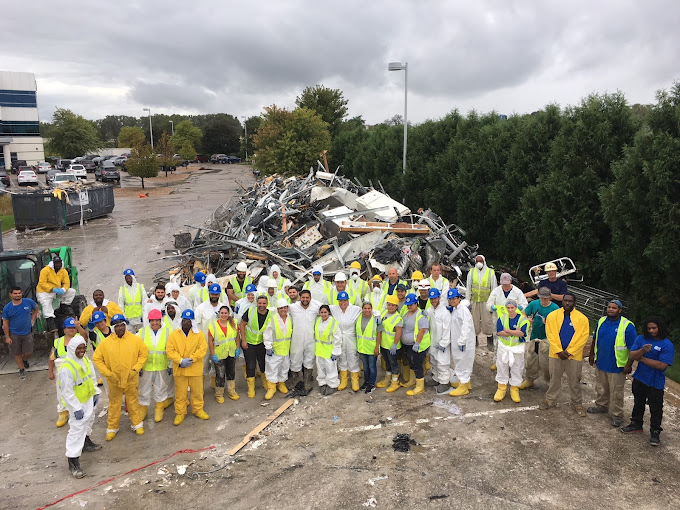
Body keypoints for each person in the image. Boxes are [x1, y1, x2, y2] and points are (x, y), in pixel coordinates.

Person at [93, 314, 148, 440]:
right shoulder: (105, 343)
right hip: (114, 380)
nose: (120, 328)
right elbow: (97, 358)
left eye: (122, 325)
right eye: (117, 326)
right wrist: (107, 373)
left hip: (131, 378)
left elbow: (144, 353)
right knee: (114, 403)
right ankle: (112, 427)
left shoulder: (135, 340)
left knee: (133, 401)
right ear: (113, 328)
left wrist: (136, 368)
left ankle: (137, 424)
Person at [621, 317, 674, 445]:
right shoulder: (641, 339)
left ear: (660, 328)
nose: (651, 330)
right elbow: (632, 355)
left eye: (654, 328)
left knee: (656, 408)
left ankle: (655, 432)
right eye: (649, 328)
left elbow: (661, 365)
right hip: (640, 378)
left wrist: (642, 358)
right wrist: (643, 351)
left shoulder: (667, 344)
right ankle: (636, 424)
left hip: (655, 382)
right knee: (638, 402)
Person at [587, 299, 637, 427]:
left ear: (620, 310)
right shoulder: (601, 321)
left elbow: (633, 348)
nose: (610, 309)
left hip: (617, 366)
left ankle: (617, 414)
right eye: (609, 307)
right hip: (601, 362)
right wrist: (592, 354)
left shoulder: (627, 326)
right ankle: (601, 406)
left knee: (616, 392)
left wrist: (628, 365)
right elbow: (595, 339)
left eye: (614, 308)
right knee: (601, 388)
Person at [58, 336, 101, 479]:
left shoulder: (85, 360)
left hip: (88, 398)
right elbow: (67, 391)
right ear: (72, 349)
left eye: (83, 348)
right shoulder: (66, 368)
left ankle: (86, 442)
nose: (82, 351)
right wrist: (76, 408)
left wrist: (95, 392)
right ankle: (73, 460)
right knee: (76, 429)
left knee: (89, 421)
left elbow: (91, 377)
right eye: (79, 348)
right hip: (77, 403)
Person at [541, 292, 590, 416]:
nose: (567, 303)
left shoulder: (582, 318)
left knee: (575, 380)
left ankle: (577, 403)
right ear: (562, 301)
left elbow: (583, 338)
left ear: (574, 303)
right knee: (554, 379)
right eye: (565, 300)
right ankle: (550, 400)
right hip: (555, 354)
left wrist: (569, 352)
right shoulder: (552, 316)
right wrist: (558, 350)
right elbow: (550, 334)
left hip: (574, 356)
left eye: (570, 301)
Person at [167, 310, 209, 424]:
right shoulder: (174, 334)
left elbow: (203, 349)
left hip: (195, 369)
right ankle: (180, 412)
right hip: (180, 369)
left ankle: (198, 409)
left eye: (189, 321)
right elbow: (170, 350)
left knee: (197, 392)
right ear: (181, 320)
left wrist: (192, 359)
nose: (186, 323)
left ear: (192, 322)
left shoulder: (198, 334)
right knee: (180, 393)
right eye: (185, 320)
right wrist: (180, 360)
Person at [138, 309, 174, 423]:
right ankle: (143, 409)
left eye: (156, 320)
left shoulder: (168, 331)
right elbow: (137, 349)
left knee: (161, 387)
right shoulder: (142, 332)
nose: (154, 323)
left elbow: (171, 349)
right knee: (144, 388)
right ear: (149, 321)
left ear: (160, 320)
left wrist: (170, 364)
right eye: (152, 321)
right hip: (146, 366)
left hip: (162, 365)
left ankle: (159, 408)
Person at [519, 287, 560, 390]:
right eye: (541, 298)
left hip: (548, 339)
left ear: (550, 298)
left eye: (545, 298)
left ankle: (550, 381)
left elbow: (560, 324)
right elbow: (524, 313)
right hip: (534, 336)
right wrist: (527, 319)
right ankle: (529, 379)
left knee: (546, 362)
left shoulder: (555, 308)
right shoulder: (534, 304)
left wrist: (550, 324)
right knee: (531, 359)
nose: (543, 300)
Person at [49, 317, 86, 427]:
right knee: (61, 393)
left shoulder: (80, 339)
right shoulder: (58, 341)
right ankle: (63, 412)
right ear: (64, 329)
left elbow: (86, 337)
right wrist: (50, 371)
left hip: (78, 372)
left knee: (80, 391)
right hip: (62, 373)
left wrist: (79, 326)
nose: (71, 330)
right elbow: (52, 357)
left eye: (73, 328)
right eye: (69, 328)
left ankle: (80, 409)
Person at [487, 272, 528, 369]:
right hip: (499, 319)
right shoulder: (496, 291)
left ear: (510, 281)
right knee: (497, 339)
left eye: (507, 283)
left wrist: (520, 308)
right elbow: (488, 304)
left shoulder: (517, 292)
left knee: (512, 339)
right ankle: (497, 361)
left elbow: (525, 304)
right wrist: (492, 307)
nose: (505, 285)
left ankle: (511, 362)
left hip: (514, 319)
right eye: (503, 283)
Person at [493, 299, 529, 403]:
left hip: (517, 348)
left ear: (516, 308)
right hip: (504, 347)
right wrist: (515, 332)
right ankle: (501, 388)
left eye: (512, 308)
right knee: (501, 366)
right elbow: (499, 332)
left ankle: (514, 389)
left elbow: (522, 333)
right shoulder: (502, 318)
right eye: (508, 308)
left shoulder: (522, 320)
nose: (510, 310)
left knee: (517, 368)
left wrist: (507, 330)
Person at [287, 289, 322, 392]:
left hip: (310, 339)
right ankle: (294, 380)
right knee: (295, 359)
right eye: (303, 297)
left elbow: (326, 310)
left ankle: (307, 381)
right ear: (299, 297)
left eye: (307, 298)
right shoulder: (293, 308)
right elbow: (279, 310)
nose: (305, 299)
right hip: (296, 339)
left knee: (309, 360)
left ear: (310, 298)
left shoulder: (315, 308)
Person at [2, 286, 39, 379]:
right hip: (14, 334)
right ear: (11, 295)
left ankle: (24, 359)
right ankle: (21, 369)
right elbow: (5, 323)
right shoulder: (7, 308)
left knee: (29, 352)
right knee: (16, 353)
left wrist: (32, 319)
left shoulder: (28, 302)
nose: (18, 295)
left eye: (19, 293)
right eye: (15, 293)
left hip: (27, 332)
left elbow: (36, 308)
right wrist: (7, 337)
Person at [330, 291, 362, 392]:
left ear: (348, 300)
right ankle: (344, 380)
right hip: (340, 337)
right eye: (340, 301)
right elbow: (320, 306)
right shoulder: (334, 309)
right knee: (342, 357)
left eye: (344, 300)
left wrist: (377, 314)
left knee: (352, 356)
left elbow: (367, 309)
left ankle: (354, 380)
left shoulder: (354, 309)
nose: (342, 303)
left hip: (351, 337)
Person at [195, 283, 226, 388]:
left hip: (219, 343)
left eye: (216, 294)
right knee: (202, 365)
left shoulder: (223, 308)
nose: (214, 296)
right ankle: (200, 388)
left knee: (217, 365)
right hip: (204, 342)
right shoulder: (201, 308)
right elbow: (197, 326)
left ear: (219, 295)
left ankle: (215, 385)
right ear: (209, 294)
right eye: (212, 294)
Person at [208, 305, 241, 403]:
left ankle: (231, 391)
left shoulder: (234, 323)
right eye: (222, 313)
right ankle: (219, 394)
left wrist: (237, 348)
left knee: (231, 372)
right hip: (219, 354)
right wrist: (212, 354)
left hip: (231, 352)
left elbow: (237, 337)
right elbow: (210, 341)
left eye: (225, 313)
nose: (223, 315)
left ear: (228, 314)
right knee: (220, 374)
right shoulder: (213, 325)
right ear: (219, 314)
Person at [239, 296, 271, 398]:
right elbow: (242, 325)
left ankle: (265, 382)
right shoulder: (250, 311)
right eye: (260, 303)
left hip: (262, 343)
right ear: (257, 303)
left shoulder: (270, 314)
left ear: (267, 304)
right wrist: (243, 340)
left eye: (264, 303)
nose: (261, 305)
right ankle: (251, 388)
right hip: (249, 343)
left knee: (263, 364)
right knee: (251, 365)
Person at [399, 293, 430, 396]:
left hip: (417, 345)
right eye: (408, 305)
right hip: (408, 345)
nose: (409, 306)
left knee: (417, 364)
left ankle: (420, 386)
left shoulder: (421, 315)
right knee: (412, 363)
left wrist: (417, 343)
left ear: (416, 304)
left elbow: (422, 330)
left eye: (411, 305)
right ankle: (412, 381)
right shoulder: (406, 313)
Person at [448, 289, 477, 397]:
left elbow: (466, 326)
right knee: (460, 360)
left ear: (459, 298)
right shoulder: (456, 309)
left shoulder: (463, 310)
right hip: (458, 341)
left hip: (464, 342)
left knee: (463, 362)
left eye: (454, 298)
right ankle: (465, 382)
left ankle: (463, 386)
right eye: (450, 299)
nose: (452, 301)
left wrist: (462, 341)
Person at [36, 256, 76, 332]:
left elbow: (67, 283)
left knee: (72, 292)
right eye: (56, 263)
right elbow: (42, 283)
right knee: (46, 305)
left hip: (57, 290)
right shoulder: (45, 270)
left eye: (59, 263)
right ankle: (51, 325)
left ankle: (64, 307)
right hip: (44, 292)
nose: (58, 264)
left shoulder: (63, 271)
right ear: (53, 263)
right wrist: (52, 289)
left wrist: (63, 289)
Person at [263, 299, 293, 400]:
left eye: (285, 308)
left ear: (287, 308)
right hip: (275, 350)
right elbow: (267, 334)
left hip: (285, 349)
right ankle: (271, 387)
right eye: (281, 308)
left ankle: (281, 383)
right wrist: (268, 346)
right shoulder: (273, 319)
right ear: (278, 309)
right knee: (272, 368)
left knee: (284, 367)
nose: (283, 310)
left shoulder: (290, 319)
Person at [467, 255, 497, 353]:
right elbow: (468, 288)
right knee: (474, 321)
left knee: (487, 321)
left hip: (486, 301)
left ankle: (490, 340)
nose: (479, 263)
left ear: (484, 262)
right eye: (477, 261)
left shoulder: (490, 272)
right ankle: (474, 340)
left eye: (480, 261)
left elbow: (494, 288)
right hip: (474, 300)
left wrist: (493, 302)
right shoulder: (471, 272)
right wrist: (468, 301)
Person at [426, 288, 451, 395]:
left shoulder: (444, 312)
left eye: (435, 298)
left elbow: (447, 329)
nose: (433, 301)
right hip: (433, 341)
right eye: (431, 299)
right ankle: (436, 378)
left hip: (441, 343)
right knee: (433, 361)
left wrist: (444, 343)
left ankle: (445, 382)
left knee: (442, 363)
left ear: (439, 298)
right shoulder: (430, 309)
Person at [376, 295, 403, 392]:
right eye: (389, 305)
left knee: (393, 364)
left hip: (392, 346)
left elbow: (399, 332)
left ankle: (395, 382)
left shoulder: (398, 318)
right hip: (384, 344)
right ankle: (387, 379)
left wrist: (395, 344)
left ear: (396, 307)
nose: (390, 307)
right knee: (387, 363)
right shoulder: (384, 312)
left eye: (393, 305)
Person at [314, 305, 341, 395]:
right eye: (321, 312)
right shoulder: (318, 321)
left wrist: (336, 352)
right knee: (321, 368)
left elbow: (337, 338)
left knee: (331, 368)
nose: (323, 314)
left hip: (329, 350)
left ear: (329, 312)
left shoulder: (333, 323)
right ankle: (322, 383)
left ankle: (332, 385)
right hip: (319, 349)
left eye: (325, 312)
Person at [356, 301, 381, 393]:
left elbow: (379, 333)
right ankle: (366, 382)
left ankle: (372, 383)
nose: (367, 310)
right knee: (365, 367)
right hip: (362, 347)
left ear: (372, 309)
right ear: (362, 309)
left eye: (369, 308)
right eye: (365, 308)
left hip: (372, 348)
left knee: (372, 367)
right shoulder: (358, 317)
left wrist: (377, 347)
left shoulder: (376, 319)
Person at [118, 269, 146, 333]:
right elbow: (120, 305)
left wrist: (144, 315)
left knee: (142, 334)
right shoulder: (122, 290)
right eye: (126, 278)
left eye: (129, 277)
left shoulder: (140, 287)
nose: (128, 279)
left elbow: (144, 301)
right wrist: (124, 317)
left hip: (140, 317)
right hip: (129, 319)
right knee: (130, 336)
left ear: (133, 277)